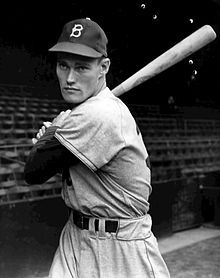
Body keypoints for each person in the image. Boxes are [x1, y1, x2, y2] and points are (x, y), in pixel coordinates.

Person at [24, 18, 170, 278]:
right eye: (63, 66)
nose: (69, 78)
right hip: (76, 233)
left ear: (103, 67)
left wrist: (51, 135)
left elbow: (33, 171)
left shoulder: (99, 113)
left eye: (81, 67)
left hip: (120, 246)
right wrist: (54, 138)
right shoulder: (92, 109)